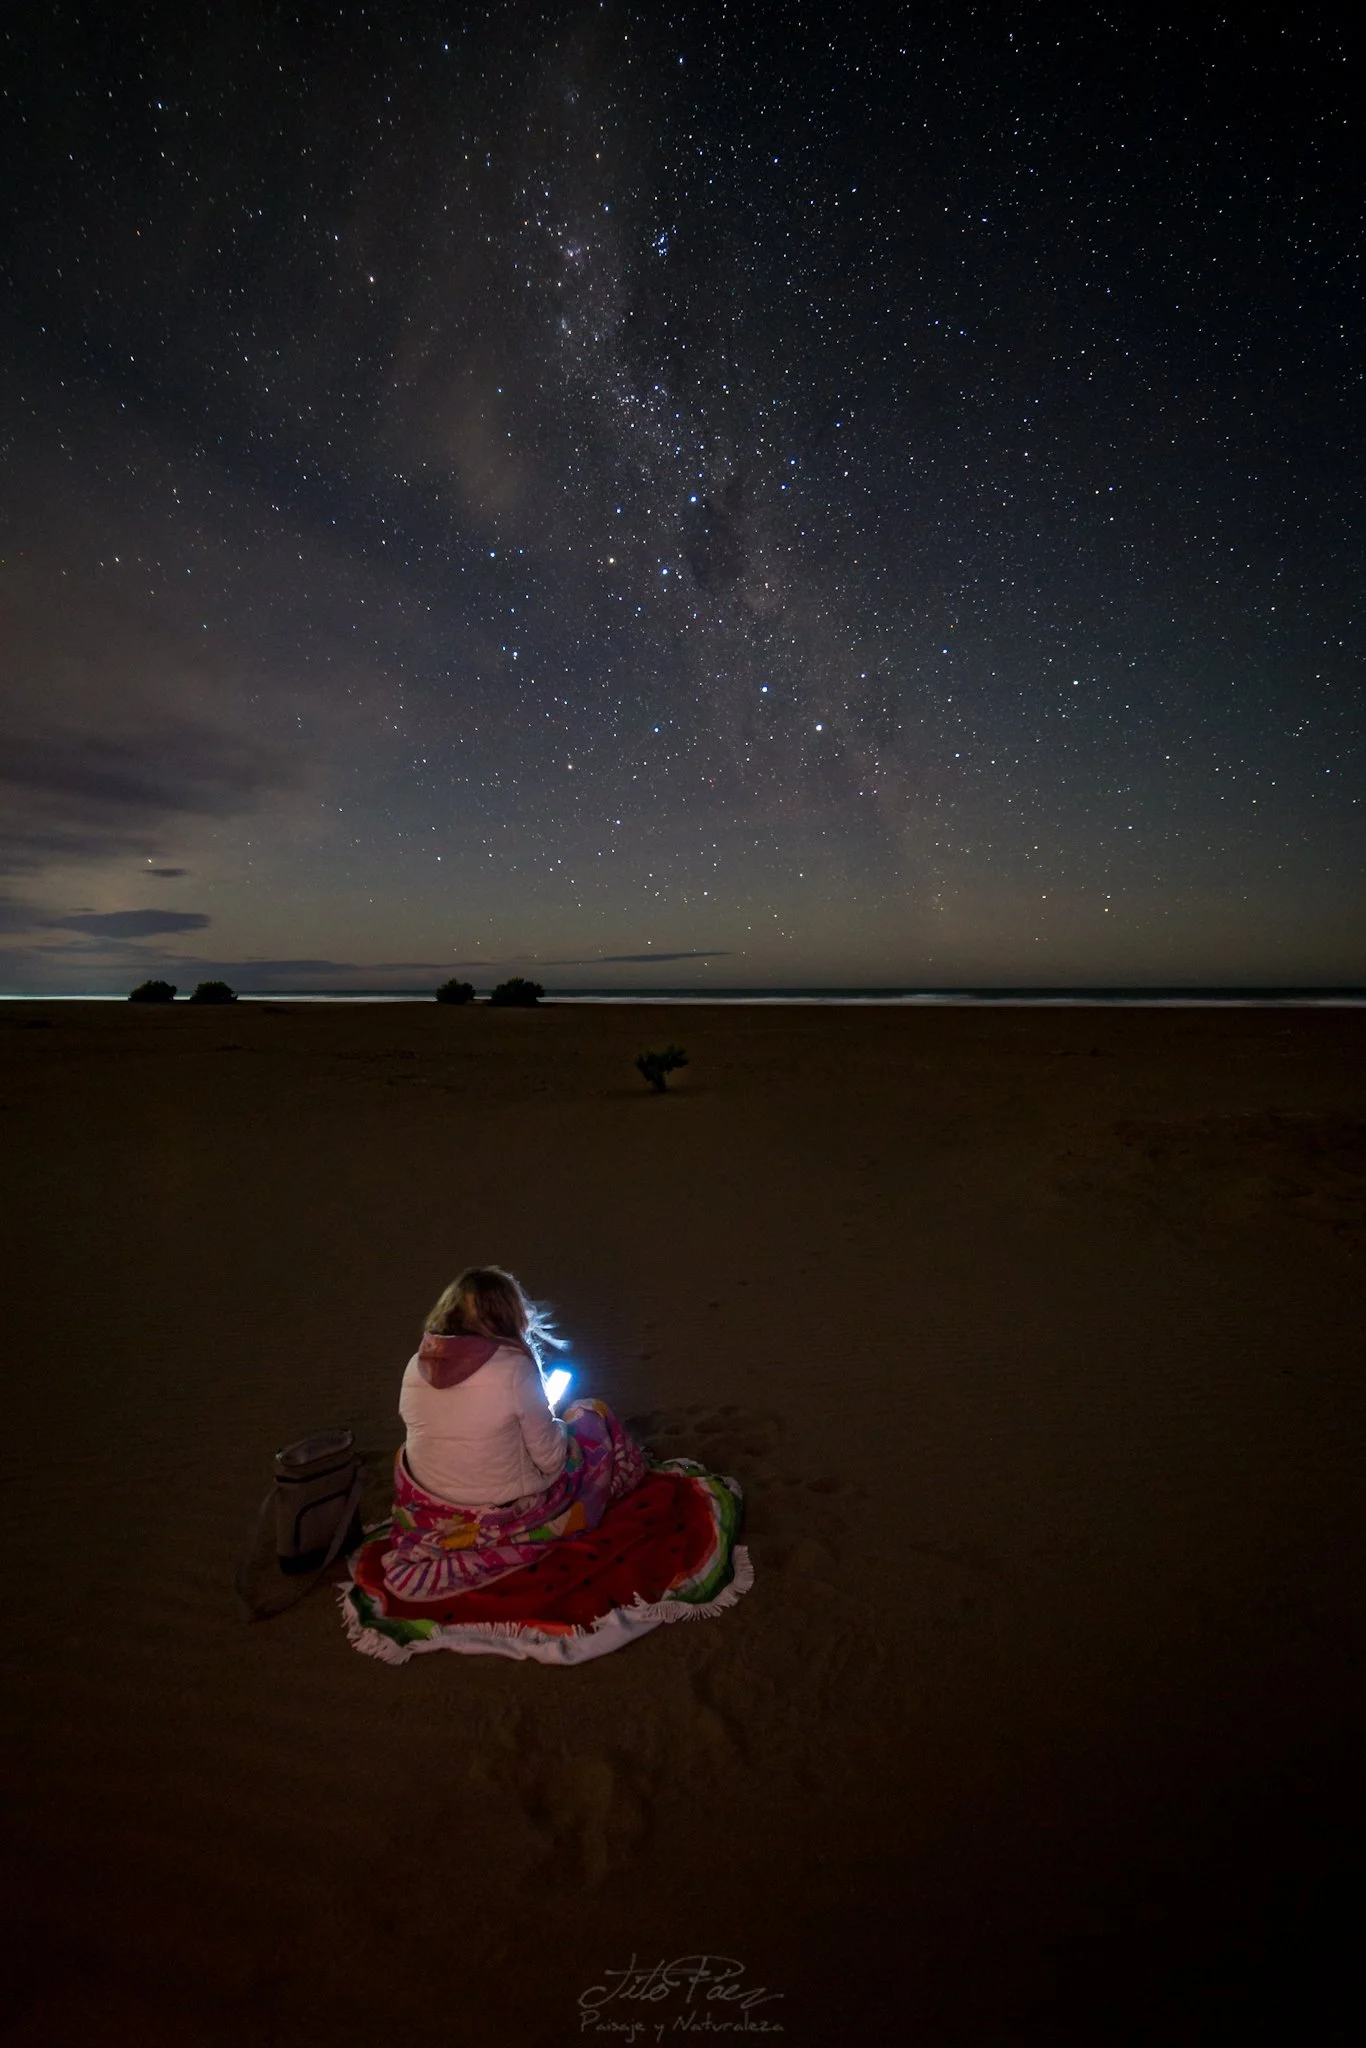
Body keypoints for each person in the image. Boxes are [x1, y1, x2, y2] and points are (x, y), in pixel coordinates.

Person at [382, 1265, 648, 1603]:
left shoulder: (416, 1364)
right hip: (501, 1507)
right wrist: (552, 1420)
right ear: (508, 1315)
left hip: (432, 1506)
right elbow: (551, 1461)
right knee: (590, 1414)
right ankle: (625, 1478)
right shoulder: (514, 1367)